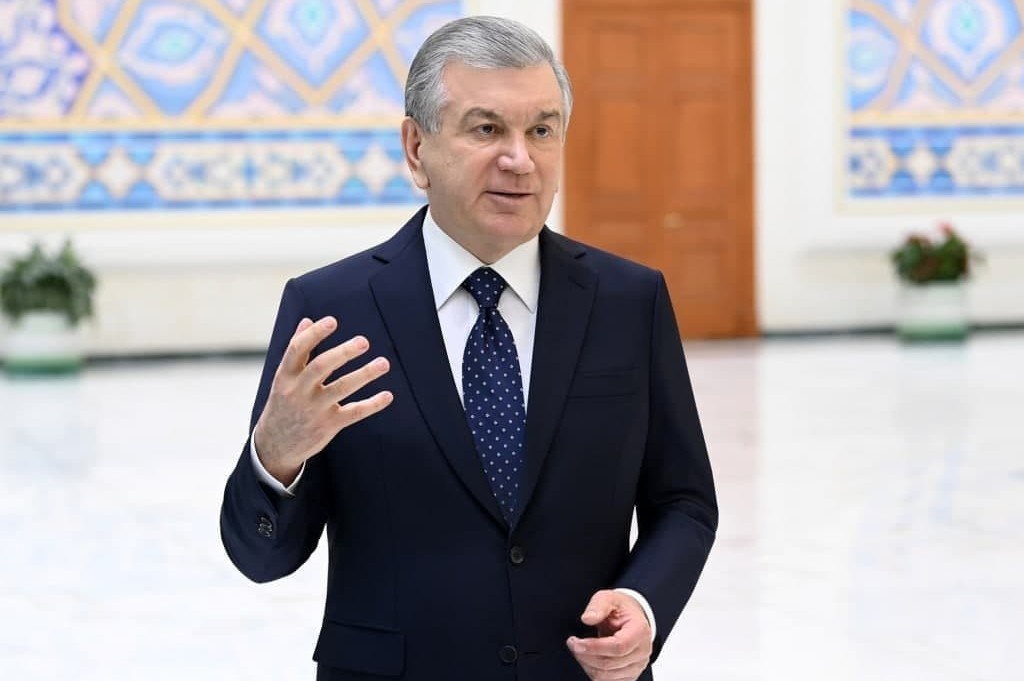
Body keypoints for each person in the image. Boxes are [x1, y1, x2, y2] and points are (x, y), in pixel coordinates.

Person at [220, 15, 717, 681]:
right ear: (416, 148)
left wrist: (644, 602)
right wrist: (275, 455)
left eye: (541, 130)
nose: (520, 159)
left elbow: (684, 501)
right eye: (486, 129)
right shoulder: (332, 311)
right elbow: (262, 558)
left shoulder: (630, 301)